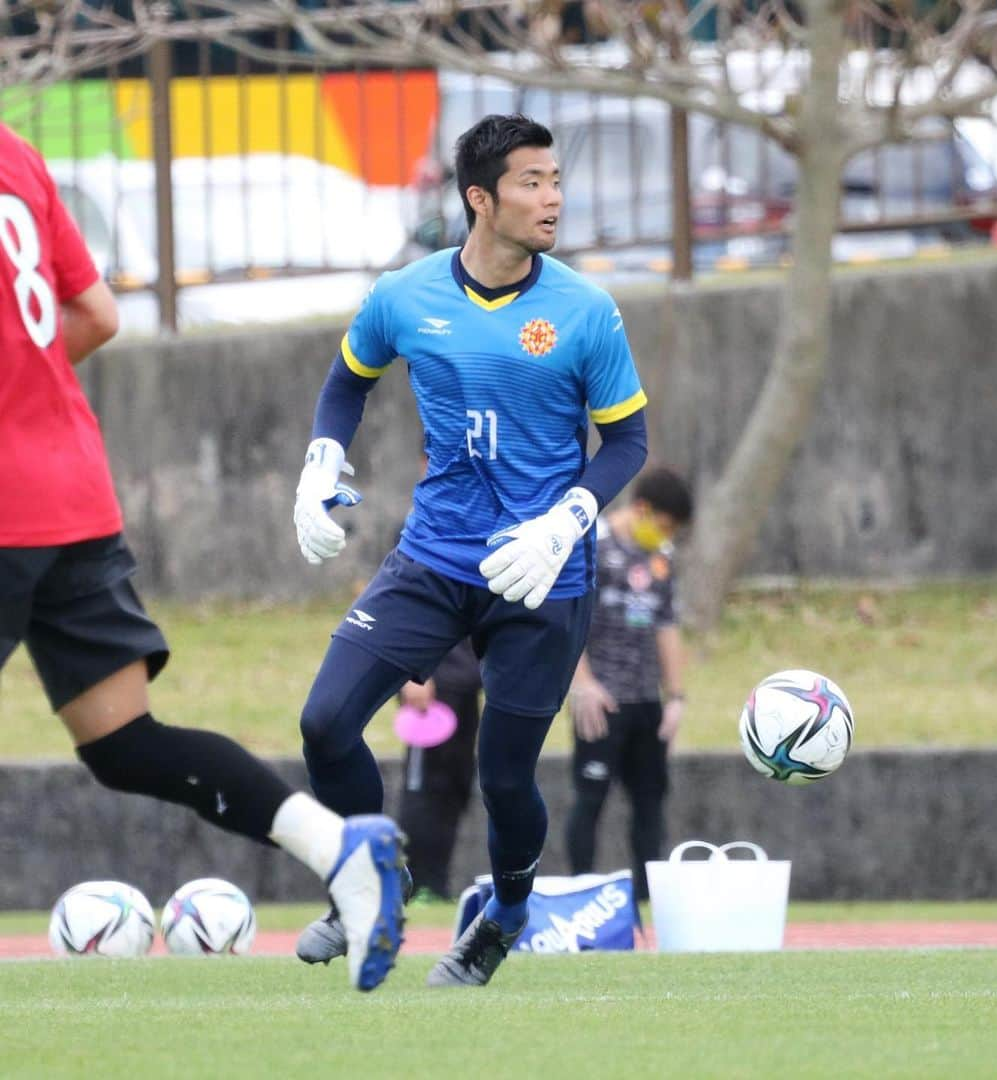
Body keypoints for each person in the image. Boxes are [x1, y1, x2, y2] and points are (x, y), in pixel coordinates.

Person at [0, 121, 404, 994]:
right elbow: (96, 314)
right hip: (70, 489)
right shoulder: (16, 153)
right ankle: (342, 851)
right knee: (125, 743)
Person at [291, 113, 648, 987]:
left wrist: (568, 517)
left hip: (544, 571)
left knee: (504, 777)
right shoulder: (405, 296)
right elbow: (346, 385)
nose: (553, 197)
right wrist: (320, 461)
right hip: (436, 557)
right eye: (532, 182)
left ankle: (508, 916)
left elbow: (629, 445)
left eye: (556, 179)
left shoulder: (585, 311)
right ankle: (371, 882)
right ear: (480, 199)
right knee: (325, 723)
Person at [564, 466, 694, 901]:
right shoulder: (593, 547)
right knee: (590, 798)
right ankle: (581, 891)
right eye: (663, 525)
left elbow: (667, 626)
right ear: (641, 509)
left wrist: (676, 697)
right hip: (601, 701)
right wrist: (582, 683)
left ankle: (648, 899)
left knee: (650, 804)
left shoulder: (662, 559)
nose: (666, 535)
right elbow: (568, 621)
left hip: (646, 701)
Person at [397, 638, 483, 902]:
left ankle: (437, 884)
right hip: (430, 685)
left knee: (456, 784)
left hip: (466, 685)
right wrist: (411, 673)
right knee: (423, 786)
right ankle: (414, 884)